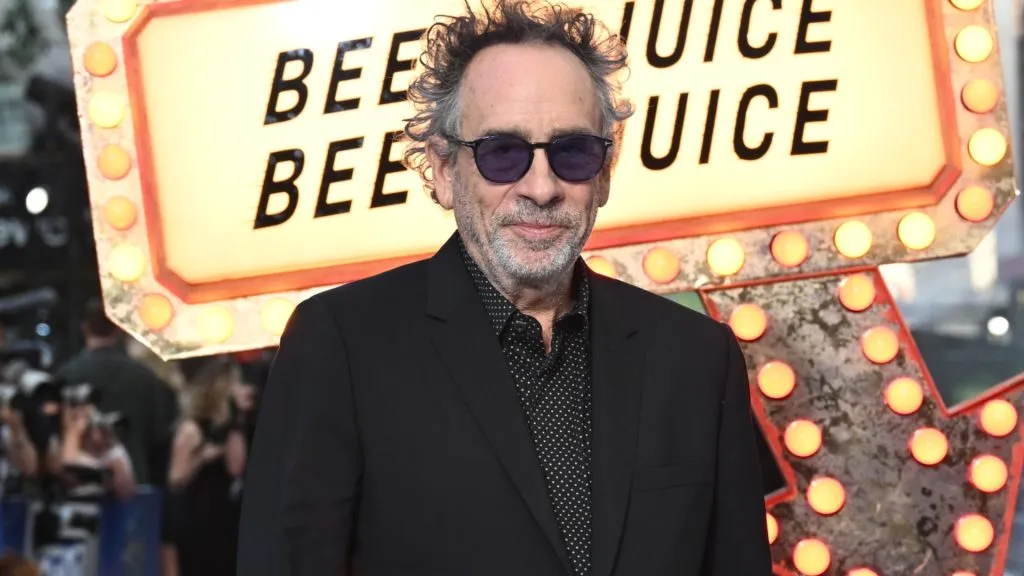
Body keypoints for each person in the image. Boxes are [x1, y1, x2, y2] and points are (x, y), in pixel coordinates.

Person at [238, 1, 771, 574]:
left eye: (572, 151)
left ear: (605, 173)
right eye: (502, 153)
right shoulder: (341, 345)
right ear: (442, 170)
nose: (540, 187)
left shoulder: (695, 357)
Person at [54, 299, 179, 486]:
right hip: (135, 482)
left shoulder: (65, 375)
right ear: (119, 328)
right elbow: (162, 435)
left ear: (85, 327)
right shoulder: (146, 378)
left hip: (78, 484)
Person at [167, 357, 250, 576]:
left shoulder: (230, 427)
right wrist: (201, 457)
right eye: (235, 383)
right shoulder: (192, 429)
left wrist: (238, 419)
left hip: (224, 517)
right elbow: (176, 478)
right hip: (197, 518)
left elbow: (236, 467)